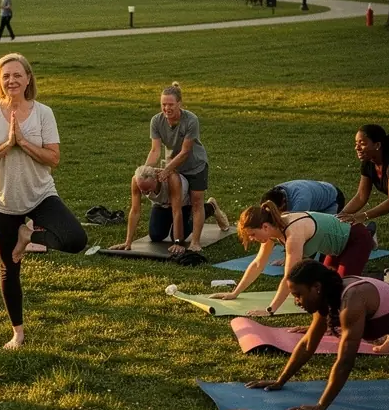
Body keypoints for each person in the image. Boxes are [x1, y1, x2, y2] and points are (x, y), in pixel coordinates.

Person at [0, 53, 86, 349]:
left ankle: (29, 234)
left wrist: (22, 141)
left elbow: (54, 158)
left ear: (28, 78)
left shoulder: (43, 113)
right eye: (5, 75)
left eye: (17, 75)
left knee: (75, 239)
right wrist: (6, 144)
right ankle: (18, 333)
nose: (11, 80)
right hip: (1, 200)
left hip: (40, 195)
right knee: (9, 267)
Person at [246, 258, 389, 410]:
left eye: (298, 294)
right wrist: (280, 380)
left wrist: (321, 406)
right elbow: (308, 344)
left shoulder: (353, 300)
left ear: (316, 287)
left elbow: (345, 361)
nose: (297, 302)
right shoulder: (327, 298)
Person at [211, 200, 374, 317]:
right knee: (325, 291)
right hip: (335, 247)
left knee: (341, 291)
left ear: (265, 227)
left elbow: (289, 276)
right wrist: (235, 293)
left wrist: (270, 310)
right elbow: (258, 264)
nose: (252, 239)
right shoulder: (272, 231)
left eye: (253, 235)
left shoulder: (293, 234)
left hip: (356, 239)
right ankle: (321, 326)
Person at [339, 125, 389, 281]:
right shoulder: (368, 164)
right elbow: (361, 196)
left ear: (377, 145)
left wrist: (362, 216)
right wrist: (341, 215)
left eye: (362, 143)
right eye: (356, 143)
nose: (357, 147)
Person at [145, 83, 211, 253]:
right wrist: (145, 171)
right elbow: (155, 150)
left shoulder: (191, 120)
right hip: (173, 165)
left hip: (194, 165)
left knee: (196, 202)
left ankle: (196, 239)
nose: (166, 108)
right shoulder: (156, 121)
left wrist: (167, 170)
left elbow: (185, 152)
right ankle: (176, 223)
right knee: (160, 227)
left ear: (180, 104)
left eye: (170, 104)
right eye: (163, 104)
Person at [109, 165, 230, 253]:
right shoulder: (136, 180)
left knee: (176, 238)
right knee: (156, 236)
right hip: (162, 204)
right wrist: (128, 242)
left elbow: (176, 211)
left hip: (183, 205)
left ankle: (210, 207)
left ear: (157, 179)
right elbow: (135, 210)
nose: (145, 193)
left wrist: (177, 242)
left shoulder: (172, 179)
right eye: (143, 190)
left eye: (148, 190)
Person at [262, 179, 346, 216]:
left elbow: (295, 226)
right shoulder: (276, 192)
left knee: (320, 237)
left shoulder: (300, 202)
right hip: (318, 191)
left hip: (333, 201)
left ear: (284, 202)